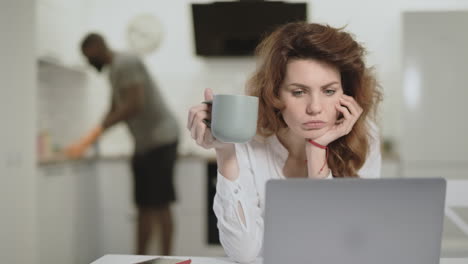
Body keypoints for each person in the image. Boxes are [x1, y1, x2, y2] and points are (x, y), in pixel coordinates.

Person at [187, 22, 383, 263]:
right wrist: (225, 152)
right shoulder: (250, 141)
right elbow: (244, 253)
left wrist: (317, 151)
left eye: (329, 91)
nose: (315, 108)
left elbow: (341, 246)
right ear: (275, 94)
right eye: (299, 92)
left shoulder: (365, 138)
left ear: (346, 93)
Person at [65, 33, 179, 255]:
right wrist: (92, 136)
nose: (88, 62)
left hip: (160, 139)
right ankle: (138, 258)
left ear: (97, 46)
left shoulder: (126, 63)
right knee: (144, 205)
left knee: (160, 204)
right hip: (146, 144)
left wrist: (99, 130)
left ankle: (167, 258)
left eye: (88, 56)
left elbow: (135, 104)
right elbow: (114, 107)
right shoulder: (115, 71)